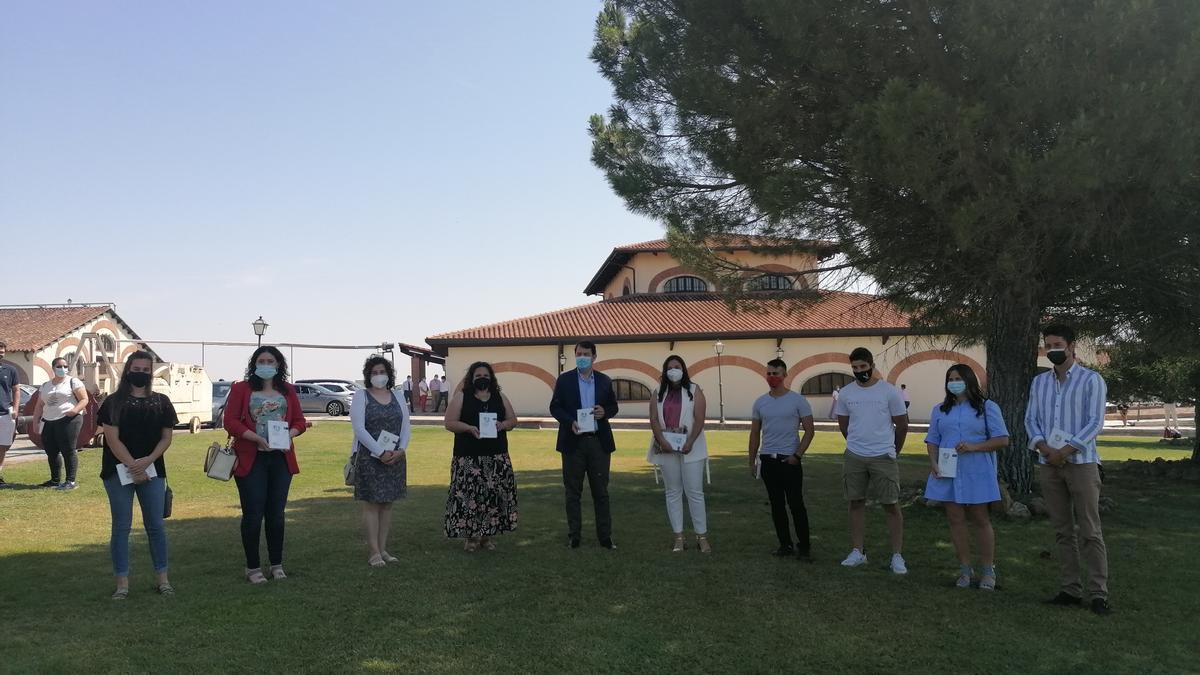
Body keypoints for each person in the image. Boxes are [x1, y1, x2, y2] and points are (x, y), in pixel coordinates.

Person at [1024, 323, 1111, 615]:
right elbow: (1030, 420)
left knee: (1090, 530)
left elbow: (1094, 423)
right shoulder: (1040, 383)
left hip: (1082, 464)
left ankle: (1098, 592)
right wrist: (1045, 449)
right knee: (1062, 530)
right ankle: (1070, 589)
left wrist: (1066, 450)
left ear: (1071, 345)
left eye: (1057, 344)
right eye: (1048, 346)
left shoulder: (1091, 380)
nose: (1053, 350)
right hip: (1049, 464)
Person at [223, 346, 308, 584]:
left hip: (281, 459)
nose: (266, 364)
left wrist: (289, 434)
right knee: (253, 514)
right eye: (262, 360)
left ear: (279, 365)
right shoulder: (242, 389)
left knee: (276, 515)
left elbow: (300, 421)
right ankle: (252, 568)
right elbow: (229, 421)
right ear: (254, 364)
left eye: (271, 361)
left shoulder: (288, 390)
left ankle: (276, 564)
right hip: (252, 458)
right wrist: (255, 438)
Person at [97, 351, 178, 599]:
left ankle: (163, 580)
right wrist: (134, 466)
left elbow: (167, 437)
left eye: (145, 370)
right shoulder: (113, 402)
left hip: (154, 470)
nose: (140, 373)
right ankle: (122, 584)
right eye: (136, 368)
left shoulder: (162, 401)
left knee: (156, 527)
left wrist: (148, 462)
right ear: (128, 370)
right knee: (121, 527)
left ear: (151, 373)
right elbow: (112, 439)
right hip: (118, 471)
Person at [923, 364, 1009, 590]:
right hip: (948, 471)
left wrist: (974, 447)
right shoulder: (940, 410)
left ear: (969, 380)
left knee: (980, 519)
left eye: (958, 378)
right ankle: (964, 569)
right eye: (950, 379)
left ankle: (988, 571)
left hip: (976, 470)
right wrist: (933, 462)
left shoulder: (987, 407)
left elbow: (1002, 439)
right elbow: (932, 439)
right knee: (955, 519)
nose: (953, 382)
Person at [835, 347, 909, 574]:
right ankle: (858, 551)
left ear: (872, 366)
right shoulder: (846, 393)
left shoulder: (889, 392)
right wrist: (856, 443)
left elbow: (902, 425)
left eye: (863, 367)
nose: (859, 371)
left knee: (891, 505)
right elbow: (844, 425)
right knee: (855, 502)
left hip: (883, 456)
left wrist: (893, 450)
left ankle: (897, 555)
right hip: (855, 456)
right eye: (855, 368)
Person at [549, 340, 619, 549]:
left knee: (601, 492)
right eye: (579, 353)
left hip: (598, 442)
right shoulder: (564, 380)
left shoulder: (605, 381)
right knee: (572, 492)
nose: (582, 357)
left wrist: (605, 412)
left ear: (594, 357)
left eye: (586, 354)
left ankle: (605, 537)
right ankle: (574, 535)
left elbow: (613, 406)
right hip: (573, 443)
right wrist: (569, 421)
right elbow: (555, 407)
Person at [443, 362, 520, 551]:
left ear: (491, 377)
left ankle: (486, 537)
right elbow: (449, 422)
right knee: (469, 498)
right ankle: (470, 538)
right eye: (477, 376)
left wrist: (503, 425)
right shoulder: (462, 397)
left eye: (485, 375)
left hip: (496, 457)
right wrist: (468, 428)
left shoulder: (499, 397)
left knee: (492, 497)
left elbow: (513, 420)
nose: (482, 378)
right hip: (468, 457)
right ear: (471, 378)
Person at [748, 359, 815, 560]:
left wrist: (797, 456)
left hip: (790, 461)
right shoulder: (760, 402)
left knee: (796, 504)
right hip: (768, 460)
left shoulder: (798, 401)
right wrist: (751, 460)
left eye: (776, 373)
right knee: (776, 505)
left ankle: (804, 547)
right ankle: (784, 545)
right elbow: (754, 433)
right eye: (769, 373)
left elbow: (810, 431)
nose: (772, 377)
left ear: (785, 375)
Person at [349, 356, 410, 567]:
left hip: (395, 458)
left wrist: (401, 449)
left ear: (389, 374)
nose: (378, 376)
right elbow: (359, 429)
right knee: (372, 505)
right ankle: (373, 552)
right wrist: (379, 451)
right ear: (368, 376)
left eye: (381, 372)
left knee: (387, 505)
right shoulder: (361, 396)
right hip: (370, 459)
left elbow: (406, 426)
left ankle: (384, 550)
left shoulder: (398, 396)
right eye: (374, 373)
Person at [647, 355, 710, 553]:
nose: (674, 370)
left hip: (690, 447)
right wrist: (661, 440)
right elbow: (654, 419)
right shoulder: (657, 392)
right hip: (666, 448)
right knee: (673, 492)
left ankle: (702, 536)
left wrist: (690, 441)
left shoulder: (694, 390)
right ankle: (679, 537)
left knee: (695, 492)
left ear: (683, 369)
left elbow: (699, 418)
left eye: (677, 366)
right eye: (670, 367)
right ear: (665, 371)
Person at [32, 356, 89, 490]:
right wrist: (35, 422)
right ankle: (55, 480)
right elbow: (39, 405)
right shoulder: (45, 385)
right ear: (53, 368)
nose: (62, 369)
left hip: (69, 419)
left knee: (68, 450)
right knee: (51, 451)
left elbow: (84, 399)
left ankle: (70, 481)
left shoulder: (73, 382)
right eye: (59, 366)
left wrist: (74, 411)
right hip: (48, 420)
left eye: (64, 366)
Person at [0, 340, 19, 487]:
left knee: (3, 446)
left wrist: (16, 408)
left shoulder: (10, 370)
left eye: (2, 350)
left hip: (5, 413)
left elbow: (16, 390)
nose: (1, 353)